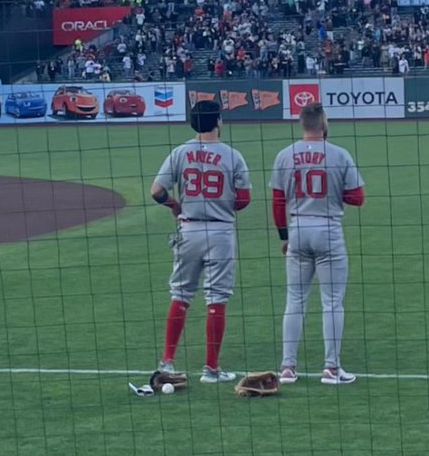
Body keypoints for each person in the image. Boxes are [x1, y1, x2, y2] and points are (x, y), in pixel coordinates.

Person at [149, 100, 251, 383]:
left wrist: (173, 204)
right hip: (220, 233)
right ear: (218, 121)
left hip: (188, 230)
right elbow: (243, 200)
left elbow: (156, 191)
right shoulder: (233, 156)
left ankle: (167, 362)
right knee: (216, 299)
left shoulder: (180, 153)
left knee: (180, 295)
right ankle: (211, 369)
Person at [270, 102, 365, 385]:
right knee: (332, 302)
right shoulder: (339, 154)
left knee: (295, 301)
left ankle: (287, 368)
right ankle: (331, 369)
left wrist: (284, 237)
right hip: (328, 229)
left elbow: (278, 201)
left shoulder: (285, 155)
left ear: (302, 124)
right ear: (323, 124)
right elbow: (358, 198)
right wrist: (334, 194)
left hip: (298, 228)